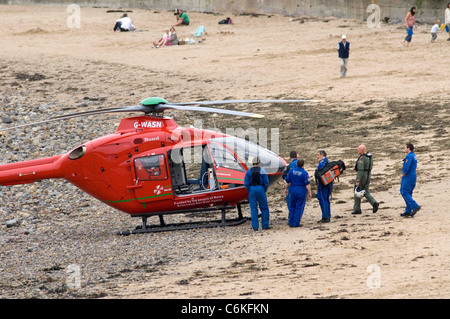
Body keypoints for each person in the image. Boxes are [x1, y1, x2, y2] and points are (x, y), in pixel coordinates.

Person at [352, 144, 379, 215]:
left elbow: (360, 170)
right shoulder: (369, 157)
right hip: (368, 175)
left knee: (357, 190)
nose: (357, 150)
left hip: (363, 176)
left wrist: (358, 180)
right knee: (365, 190)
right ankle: (374, 203)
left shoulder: (362, 158)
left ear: (362, 150)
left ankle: (357, 209)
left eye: (358, 149)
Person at [244, 157, 270, 230]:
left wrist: (250, 190)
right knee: (264, 208)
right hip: (260, 189)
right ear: (259, 163)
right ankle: (265, 225)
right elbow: (266, 182)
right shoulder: (262, 171)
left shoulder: (248, 172)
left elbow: (246, 183)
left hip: (252, 189)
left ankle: (255, 227)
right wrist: (264, 190)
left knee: (253, 208)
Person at [285, 158, 312, 227]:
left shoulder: (291, 171)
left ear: (297, 164)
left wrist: (286, 188)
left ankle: (290, 222)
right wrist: (309, 192)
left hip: (293, 189)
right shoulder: (305, 173)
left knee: (292, 206)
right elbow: (307, 184)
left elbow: (287, 181)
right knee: (299, 207)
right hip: (301, 190)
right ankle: (296, 223)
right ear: (303, 165)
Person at [400, 143, 421, 217]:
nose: (404, 149)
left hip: (408, 176)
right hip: (413, 175)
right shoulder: (414, 155)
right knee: (409, 192)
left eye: (405, 147)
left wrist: (404, 173)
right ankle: (408, 210)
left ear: (408, 148)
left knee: (404, 192)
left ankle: (415, 206)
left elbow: (406, 166)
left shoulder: (409, 156)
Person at [315, 150, 333, 223]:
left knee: (322, 198)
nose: (317, 156)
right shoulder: (327, 161)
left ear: (322, 155)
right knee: (326, 199)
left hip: (324, 184)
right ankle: (327, 215)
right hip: (328, 182)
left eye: (318, 155)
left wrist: (318, 163)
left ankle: (325, 217)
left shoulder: (323, 161)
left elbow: (319, 168)